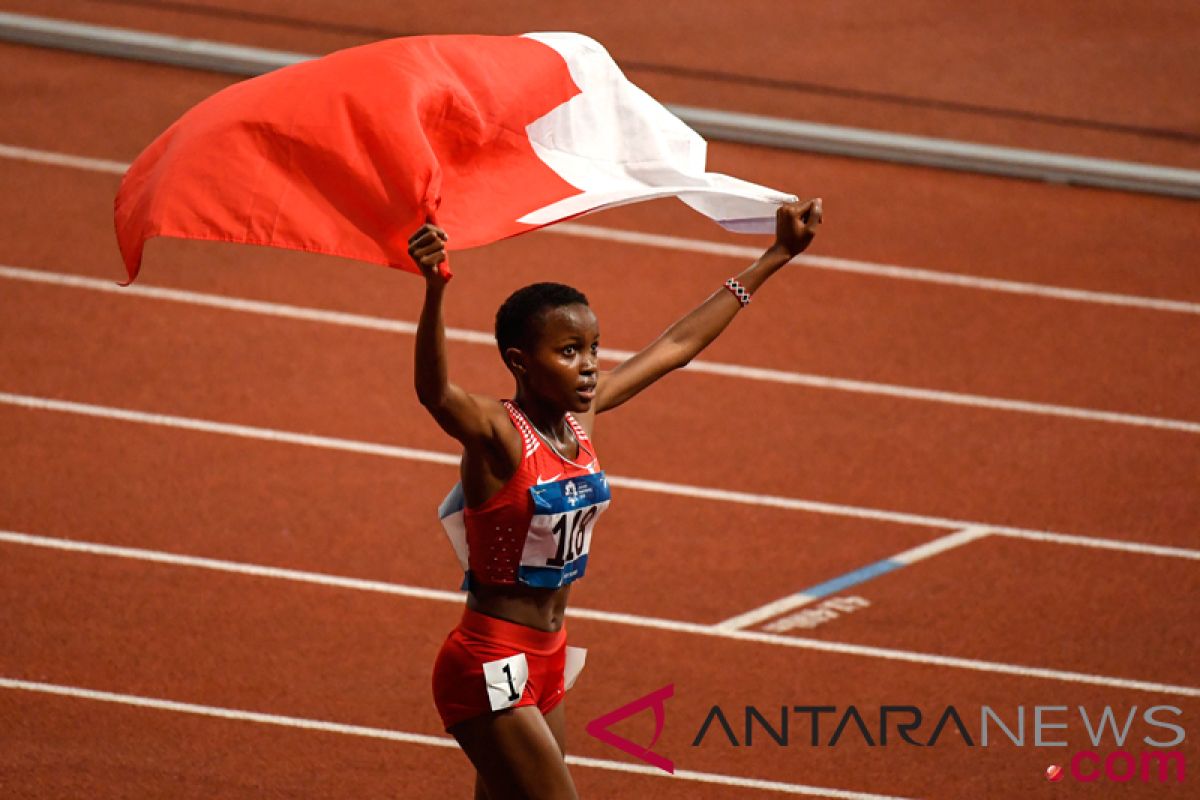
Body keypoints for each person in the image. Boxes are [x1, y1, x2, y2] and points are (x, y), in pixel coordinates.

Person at [410, 198, 823, 799]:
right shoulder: (498, 437)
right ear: (520, 363)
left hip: (548, 658)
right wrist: (434, 290)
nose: (588, 367)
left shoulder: (582, 421)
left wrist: (775, 256)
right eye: (568, 351)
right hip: (490, 661)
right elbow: (435, 393)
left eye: (593, 349)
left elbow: (676, 345)